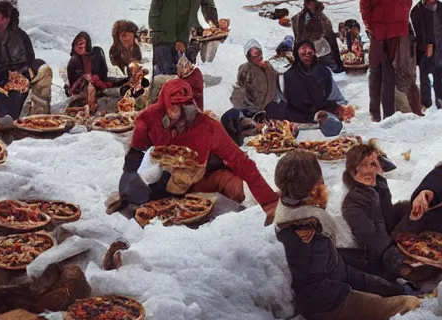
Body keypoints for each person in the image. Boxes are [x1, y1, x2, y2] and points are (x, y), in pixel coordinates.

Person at [273, 149, 421, 320]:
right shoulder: (307, 226)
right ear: (314, 186)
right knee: (409, 305)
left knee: (391, 288)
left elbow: (336, 267)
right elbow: (317, 286)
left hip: (331, 288)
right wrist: (354, 297)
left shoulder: (294, 211)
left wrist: (385, 287)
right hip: (327, 305)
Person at [112, 79, 278, 221]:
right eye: (175, 106)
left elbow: (242, 162)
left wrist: (268, 201)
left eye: (183, 104)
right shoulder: (149, 118)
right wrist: (127, 180)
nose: (179, 110)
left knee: (235, 186)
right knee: (142, 194)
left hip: (207, 174)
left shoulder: (207, 127)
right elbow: (135, 153)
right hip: (168, 177)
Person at [360, 0, 424, 121]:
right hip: (378, 35)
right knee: (375, 75)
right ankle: (375, 114)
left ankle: (389, 115)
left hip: (395, 37)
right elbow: (364, 7)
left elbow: (405, 7)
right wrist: (369, 25)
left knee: (389, 76)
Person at [339, 144, 413, 282]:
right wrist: (404, 266)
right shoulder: (352, 204)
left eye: (374, 164)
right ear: (352, 170)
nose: (370, 169)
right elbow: (375, 243)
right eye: (364, 165)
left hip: (388, 241)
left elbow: (388, 217)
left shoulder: (377, 186)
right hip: (372, 262)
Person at [0, 1, 53, 117]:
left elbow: (28, 62)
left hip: (17, 82)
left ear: (7, 19)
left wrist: (14, 75)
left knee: (12, 105)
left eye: (0, 18)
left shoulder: (20, 37)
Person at [280, 40, 350, 137]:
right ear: (297, 52)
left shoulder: (323, 71)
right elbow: (288, 99)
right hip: (298, 116)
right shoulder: (289, 74)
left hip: (322, 112)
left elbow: (333, 95)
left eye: (310, 49)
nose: (307, 53)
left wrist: (339, 107)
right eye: (303, 49)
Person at [222, 40, 283, 145]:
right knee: (227, 117)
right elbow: (239, 88)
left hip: (268, 107)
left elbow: (276, 88)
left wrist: (267, 70)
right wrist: (238, 106)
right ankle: (236, 142)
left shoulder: (269, 68)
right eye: (254, 57)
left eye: (259, 54)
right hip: (249, 108)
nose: (258, 58)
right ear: (249, 57)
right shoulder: (244, 69)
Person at [65, 32, 119, 111]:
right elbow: (73, 85)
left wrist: (93, 79)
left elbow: (103, 73)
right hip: (83, 89)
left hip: (99, 83)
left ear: (87, 44)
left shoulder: (96, 52)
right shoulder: (73, 61)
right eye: (77, 44)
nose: (80, 46)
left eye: (82, 43)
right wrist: (84, 78)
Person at [291, 0, 343, 73]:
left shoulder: (319, 12)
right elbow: (300, 30)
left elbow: (326, 25)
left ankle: (336, 66)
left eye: (311, 2)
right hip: (311, 38)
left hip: (323, 37)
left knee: (330, 45)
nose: (310, 4)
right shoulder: (302, 16)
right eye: (308, 3)